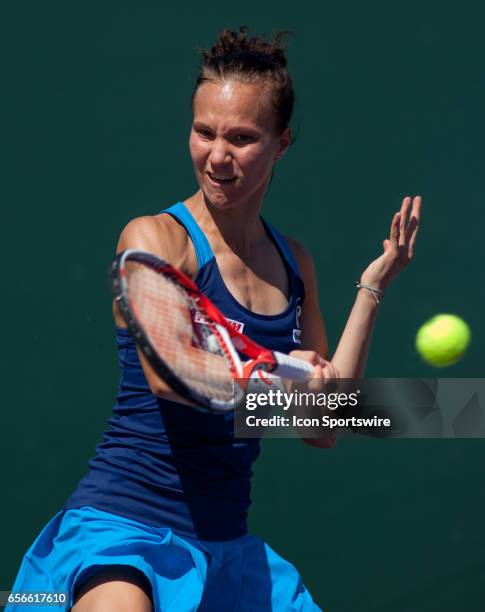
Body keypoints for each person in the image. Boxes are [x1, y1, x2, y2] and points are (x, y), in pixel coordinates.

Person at [7, 27, 421, 612]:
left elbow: (324, 425)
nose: (217, 155)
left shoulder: (294, 263)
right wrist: (282, 373)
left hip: (231, 552)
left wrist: (371, 289)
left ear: (282, 143)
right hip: (124, 534)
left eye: (243, 138)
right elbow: (170, 373)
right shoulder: (154, 238)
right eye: (204, 132)